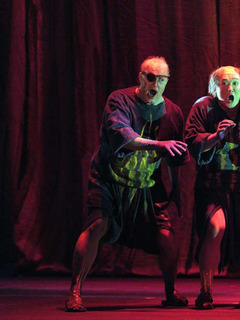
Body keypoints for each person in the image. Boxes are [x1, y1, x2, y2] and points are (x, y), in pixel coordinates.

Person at [65, 56, 190, 312]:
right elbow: (121, 134)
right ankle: (75, 290)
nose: (154, 83)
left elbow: (174, 155)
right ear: (140, 77)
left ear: (167, 82)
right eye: (150, 77)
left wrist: (176, 188)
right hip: (110, 177)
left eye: (160, 79)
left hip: (145, 184)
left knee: (166, 235)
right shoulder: (120, 100)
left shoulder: (173, 112)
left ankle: (170, 292)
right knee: (97, 224)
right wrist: (157, 145)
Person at [185, 66, 240, 309]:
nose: (230, 88)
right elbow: (191, 142)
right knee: (216, 226)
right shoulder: (203, 107)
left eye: (235, 83)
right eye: (224, 83)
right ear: (215, 88)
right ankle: (205, 291)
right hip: (212, 184)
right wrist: (215, 137)